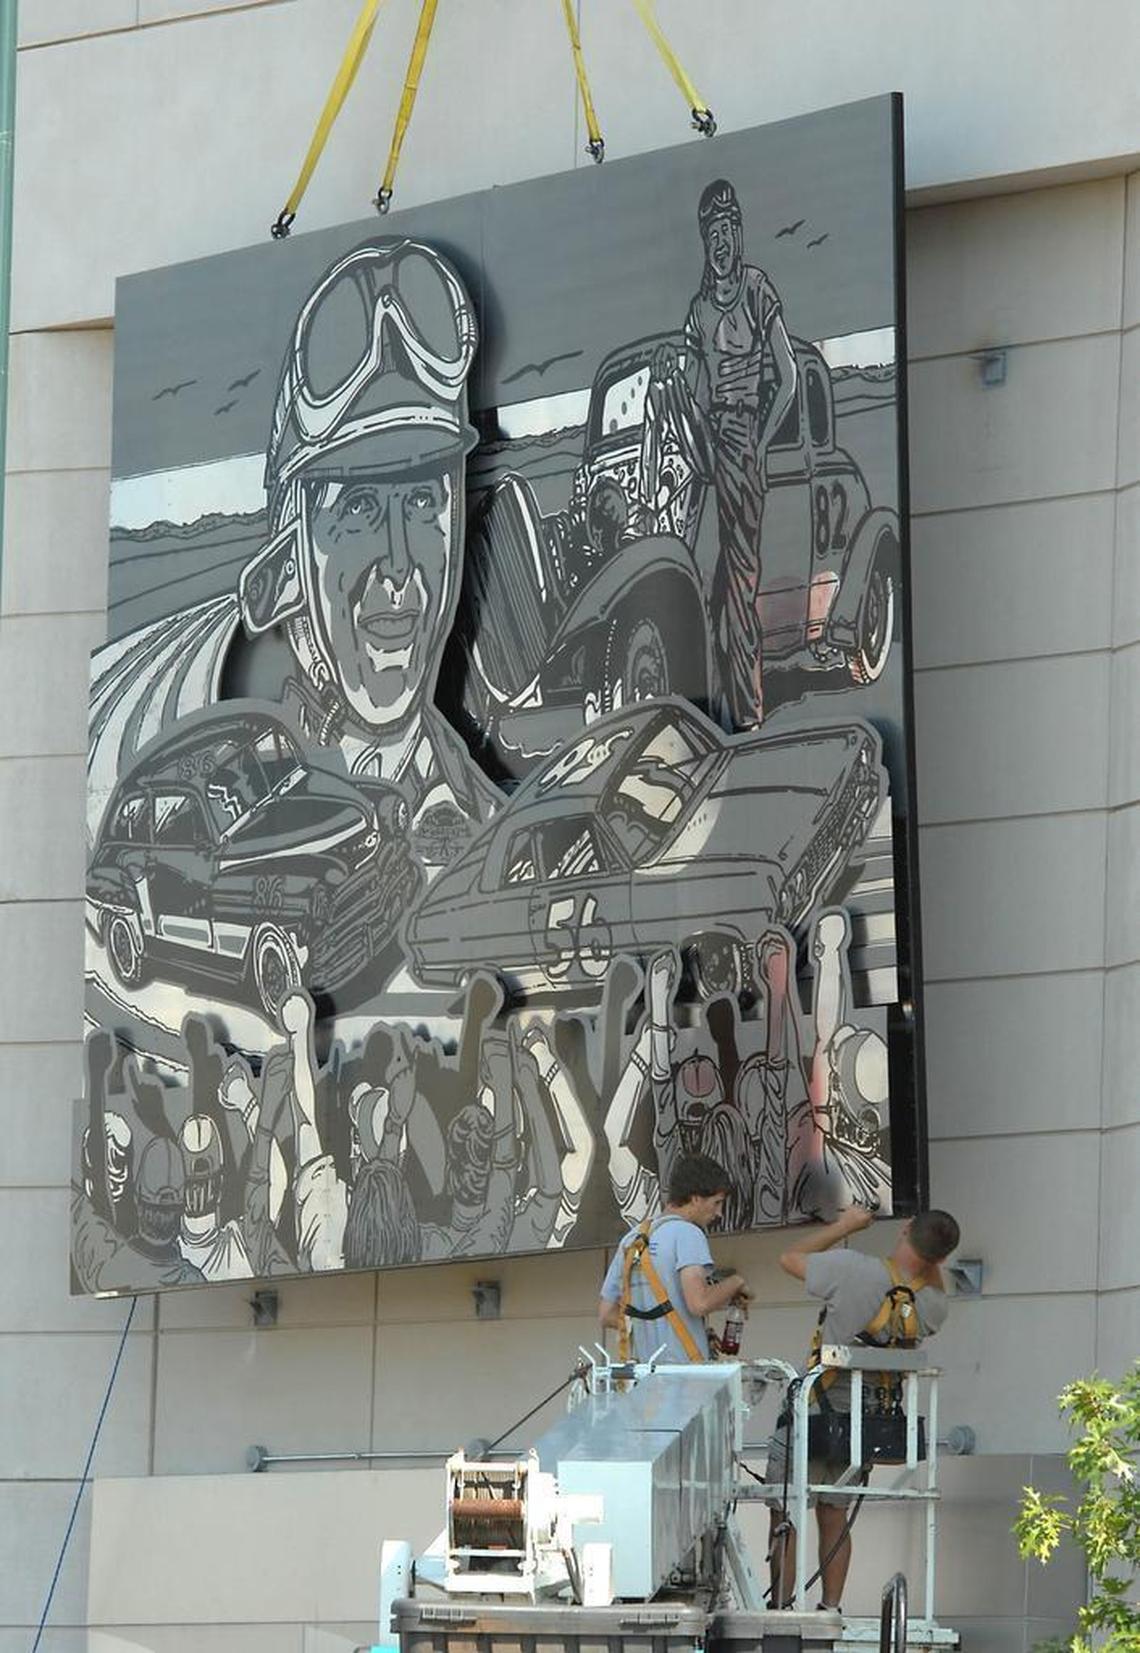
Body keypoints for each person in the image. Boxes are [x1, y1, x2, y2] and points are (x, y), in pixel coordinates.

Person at [88, 237, 499, 881]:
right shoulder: (232, 821)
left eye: (423, 500)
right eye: (360, 508)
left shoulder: (500, 830)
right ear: (294, 547)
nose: (399, 566)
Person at [767, 1204, 961, 1614]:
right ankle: (831, 1607)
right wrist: (931, 1258)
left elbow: (789, 1258)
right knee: (834, 1513)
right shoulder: (932, 1306)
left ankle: (780, 1609)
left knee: (784, 1510)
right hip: (871, 1422)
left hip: (818, 1412)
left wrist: (846, 1224)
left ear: (905, 1229)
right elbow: (931, 1279)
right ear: (942, 1260)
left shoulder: (853, 1270)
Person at [673, 178, 798, 729]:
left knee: (741, 581)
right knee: (711, 582)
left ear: (738, 233)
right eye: (711, 233)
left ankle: (749, 714)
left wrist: (758, 443)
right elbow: (697, 393)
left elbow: (788, 378)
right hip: (711, 445)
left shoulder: (756, 288)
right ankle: (717, 708)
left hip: (745, 440)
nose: (719, 242)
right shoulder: (699, 310)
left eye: (727, 229)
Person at [597, 1153, 753, 1364]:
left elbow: (606, 1314)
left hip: (644, 1379)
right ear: (696, 1198)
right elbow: (699, 1303)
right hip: (685, 1379)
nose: (719, 1213)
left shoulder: (631, 1239)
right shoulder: (688, 1234)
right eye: (717, 1203)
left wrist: (655, 1327)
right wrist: (736, 1282)